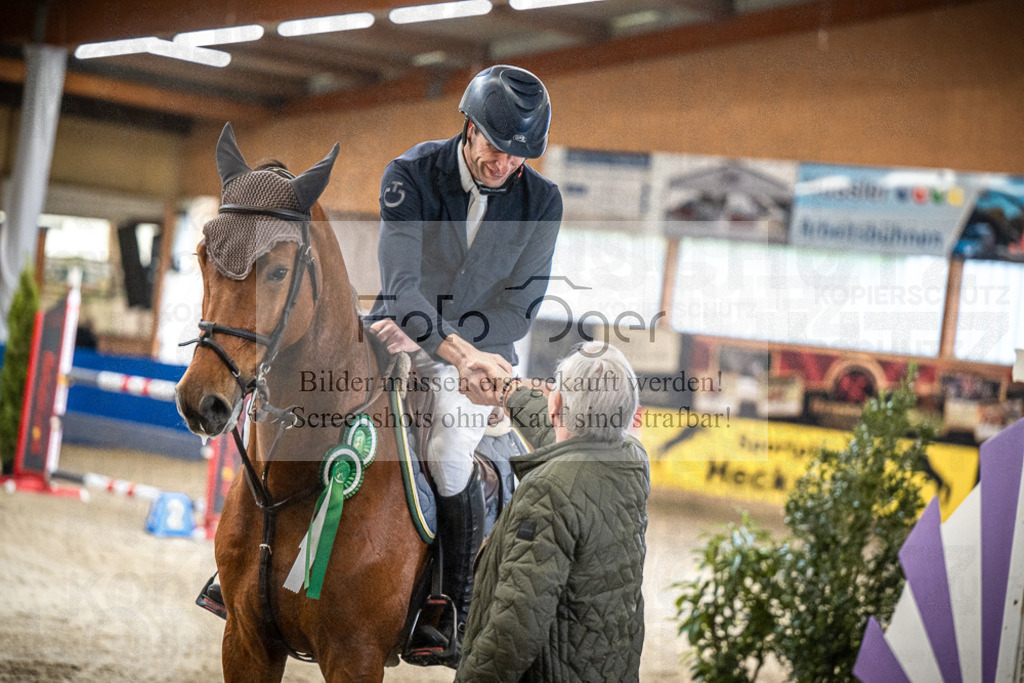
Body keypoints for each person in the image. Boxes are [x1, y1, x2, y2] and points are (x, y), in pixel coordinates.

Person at [367, 64, 562, 656]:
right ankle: (247, 558)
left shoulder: (542, 201)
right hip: (395, 326)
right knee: (308, 392)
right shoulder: (409, 175)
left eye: (517, 158)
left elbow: (519, 310)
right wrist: (433, 339)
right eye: (495, 149)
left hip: (483, 354)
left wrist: (459, 352)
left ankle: (451, 602)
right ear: (469, 127)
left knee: (451, 448)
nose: (503, 165)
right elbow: (401, 285)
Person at [454, 341, 649, 682]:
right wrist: (508, 390)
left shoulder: (549, 488)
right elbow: (564, 437)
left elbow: (515, 626)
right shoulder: (632, 457)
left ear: (555, 403)